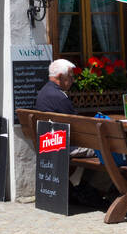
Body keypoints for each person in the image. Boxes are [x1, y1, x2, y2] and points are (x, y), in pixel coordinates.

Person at [35, 59, 102, 198]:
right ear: (59, 76)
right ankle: (92, 190)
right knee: (105, 149)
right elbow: (79, 127)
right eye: (70, 76)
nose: (73, 80)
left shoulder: (43, 92)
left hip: (49, 143)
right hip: (63, 146)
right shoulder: (60, 97)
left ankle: (84, 189)